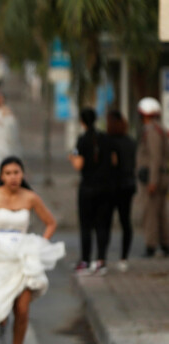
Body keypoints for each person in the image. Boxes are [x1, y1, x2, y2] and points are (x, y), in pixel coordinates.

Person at [0, 157, 64, 344]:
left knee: (22, 309)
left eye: (16, 172)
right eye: (8, 173)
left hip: (23, 256)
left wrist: (40, 244)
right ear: (2, 176)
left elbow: (50, 222)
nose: (13, 177)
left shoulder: (30, 197)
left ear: (22, 174)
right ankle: (1, 323)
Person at [68, 108, 115, 275]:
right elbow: (114, 161)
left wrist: (72, 157)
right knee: (103, 225)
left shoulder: (82, 140)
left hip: (87, 188)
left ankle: (86, 261)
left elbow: (78, 165)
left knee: (86, 226)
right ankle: (101, 260)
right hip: (106, 188)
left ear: (82, 122)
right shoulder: (106, 138)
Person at [135, 97, 169, 257]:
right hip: (161, 177)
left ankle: (152, 245)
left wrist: (153, 181)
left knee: (151, 213)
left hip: (154, 178)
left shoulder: (152, 132)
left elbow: (155, 157)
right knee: (161, 212)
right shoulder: (160, 130)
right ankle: (164, 244)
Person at [107, 110, 137, 271]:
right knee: (126, 221)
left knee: (106, 221)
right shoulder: (131, 141)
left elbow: (112, 164)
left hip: (112, 186)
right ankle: (124, 257)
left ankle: (101, 257)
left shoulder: (109, 141)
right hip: (129, 184)